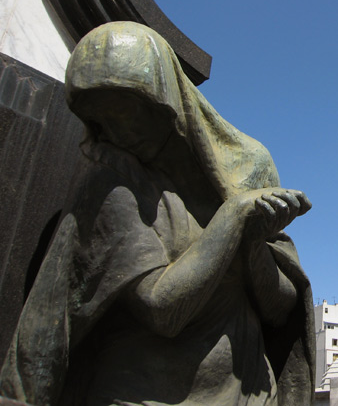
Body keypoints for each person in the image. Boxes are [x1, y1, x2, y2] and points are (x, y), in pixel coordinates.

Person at [0, 22, 315, 406]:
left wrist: (251, 245)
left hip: (245, 392)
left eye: (125, 110)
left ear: (164, 100)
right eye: (102, 119)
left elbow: (279, 309)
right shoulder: (113, 186)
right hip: (144, 395)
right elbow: (163, 310)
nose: (117, 128)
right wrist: (232, 218)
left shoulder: (244, 170)